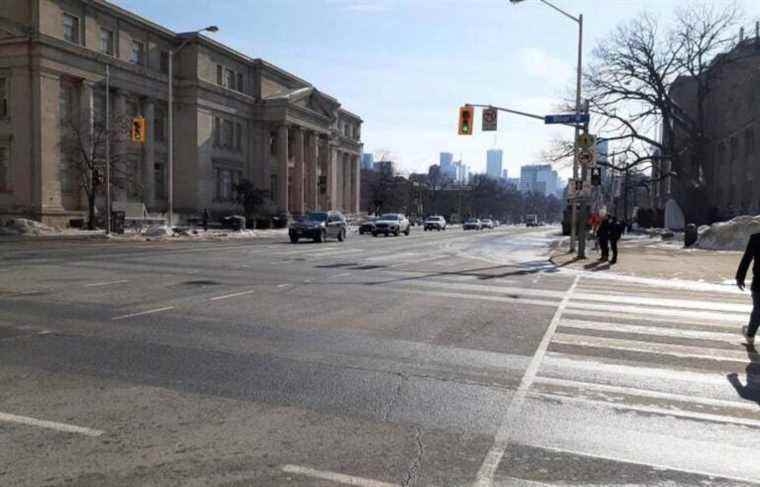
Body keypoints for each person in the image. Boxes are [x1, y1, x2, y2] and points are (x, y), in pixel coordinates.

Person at [736, 232, 760, 344]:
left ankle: (750, 335)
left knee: (758, 309)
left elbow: (747, 258)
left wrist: (740, 277)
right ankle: (750, 334)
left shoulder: (756, 238)